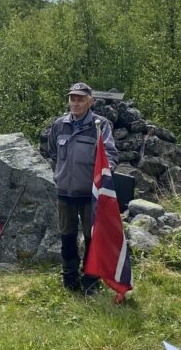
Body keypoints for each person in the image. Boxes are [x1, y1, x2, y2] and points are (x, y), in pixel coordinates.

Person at [48, 82, 118, 294]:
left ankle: (91, 279)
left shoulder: (100, 125)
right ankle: (69, 277)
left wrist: (103, 178)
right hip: (65, 193)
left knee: (91, 238)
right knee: (67, 236)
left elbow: (110, 156)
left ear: (91, 101)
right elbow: (53, 153)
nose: (76, 103)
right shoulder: (59, 125)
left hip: (90, 194)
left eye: (80, 99)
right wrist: (61, 175)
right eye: (72, 99)